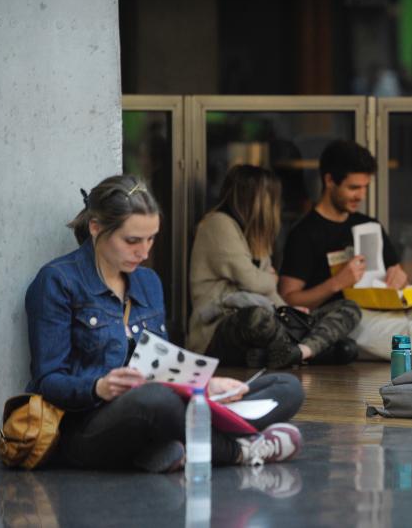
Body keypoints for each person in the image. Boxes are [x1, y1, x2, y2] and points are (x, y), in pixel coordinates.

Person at [26, 175, 303, 472]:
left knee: (286, 387)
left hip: (161, 409)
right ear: (96, 227)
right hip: (88, 428)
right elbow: (47, 380)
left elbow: (166, 367)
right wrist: (99, 387)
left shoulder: (148, 282)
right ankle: (239, 450)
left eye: (151, 239)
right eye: (132, 241)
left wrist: (205, 388)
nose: (144, 253)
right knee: (155, 400)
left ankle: (165, 450)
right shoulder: (57, 281)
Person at [278, 140, 412, 362]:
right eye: (353, 187)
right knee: (409, 332)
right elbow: (288, 298)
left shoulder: (368, 225)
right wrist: (337, 282)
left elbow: (395, 272)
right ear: (329, 181)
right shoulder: (304, 233)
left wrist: (399, 277)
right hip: (345, 320)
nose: (361, 195)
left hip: (387, 306)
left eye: (365, 187)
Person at [187, 164, 362, 369]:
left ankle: (299, 352)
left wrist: (288, 311)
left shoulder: (257, 235)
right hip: (219, 328)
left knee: (349, 311)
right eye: (273, 198)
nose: (277, 205)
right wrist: (273, 279)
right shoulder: (217, 224)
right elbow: (253, 281)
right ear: (258, 199)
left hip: (266, 324)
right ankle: (306, 350)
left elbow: (267, 293)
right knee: (258, 318)